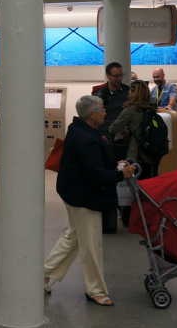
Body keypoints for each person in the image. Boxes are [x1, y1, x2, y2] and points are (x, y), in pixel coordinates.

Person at [44, 95, 135, 306]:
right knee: (92, 246)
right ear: (92, 114)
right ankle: (95, 290)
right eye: (102, 109)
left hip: (73, 193)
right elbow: (95, 173)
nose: (105, 112)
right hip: (84, 198)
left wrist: (115, 164)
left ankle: (44, 274)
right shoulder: (86, 138)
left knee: (74, 237)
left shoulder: (80, 130)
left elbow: (95, 162)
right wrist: (121, 174)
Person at [109, 80, 161, 180]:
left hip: (136, 153)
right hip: (151, 152)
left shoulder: (130, 110)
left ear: (133, 93)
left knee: (135, 183)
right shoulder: (151, 109)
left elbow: (113, 129)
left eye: (130, 91)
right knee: (148, 181)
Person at [92, 62, 130, 162]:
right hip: (104, 136)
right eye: (116, 76)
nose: (119, 78)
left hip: (122, 138)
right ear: (108, 76)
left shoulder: (128, 91)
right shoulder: (99, 92)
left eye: (121, 75)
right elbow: (94, 116)